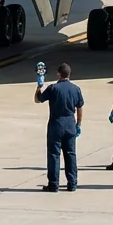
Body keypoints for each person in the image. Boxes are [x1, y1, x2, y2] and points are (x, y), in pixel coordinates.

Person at [35, 62, 84, 192]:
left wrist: (39, 86)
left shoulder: (53, 88)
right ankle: (72, 183)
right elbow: (79, 107)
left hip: (56, 125)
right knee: (71, 154)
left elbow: (38, 99)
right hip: (70, 124)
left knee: (54, 155)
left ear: (59, 74)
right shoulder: (76, 89)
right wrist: (78, 124)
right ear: (69, 74)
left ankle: (53, 184)